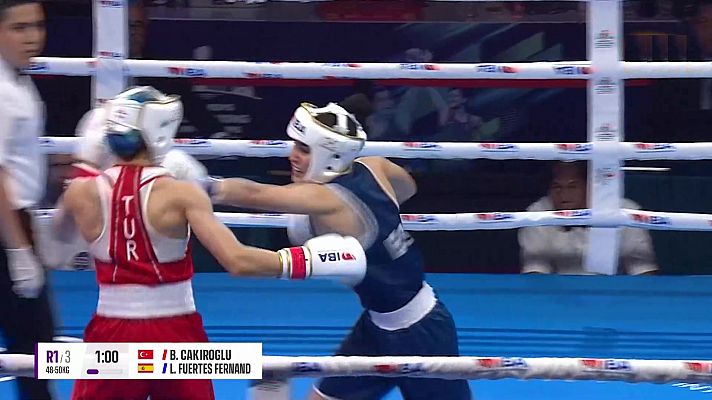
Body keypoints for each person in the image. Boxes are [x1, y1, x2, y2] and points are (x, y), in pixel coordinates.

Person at [52, 86, 367, 400]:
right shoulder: (180, 193)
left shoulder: (81, 192)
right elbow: (237, 261)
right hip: (175, 332)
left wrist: (85, 168)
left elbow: (58, 242)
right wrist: (309, 260)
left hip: (111, 333)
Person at [164, 96, 472, 400]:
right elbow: (408, 187)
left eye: (303, 148)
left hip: (422, 332)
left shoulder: (326, 199)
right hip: (377, 324)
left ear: (329, 155)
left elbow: (258, 193)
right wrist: (378, 224)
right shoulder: (374, 167)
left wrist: (204, 185)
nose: (292, 156)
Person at [0, 1, 54, 399]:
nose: (32, 36)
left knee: (35, 344)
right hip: (6, 227)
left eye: (36, 25)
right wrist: (19, 248)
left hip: (17, 221)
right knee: (34, 345)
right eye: (19, 28)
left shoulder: (18, 80)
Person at [518, 161, 659, 275]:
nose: (563, 194)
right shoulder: (538, 213)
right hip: (558, 295)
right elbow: (535, 271)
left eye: (572, 186)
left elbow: (643, 270)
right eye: (557, 187)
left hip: (613, 296)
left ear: (591, 187)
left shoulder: (626, 212)